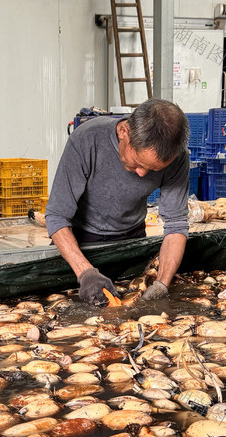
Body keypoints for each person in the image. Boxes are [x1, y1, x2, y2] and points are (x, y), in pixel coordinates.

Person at [46, 98, 190, 305]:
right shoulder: (87, 139)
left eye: (153, 171)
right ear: (124, 132)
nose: (142, 174)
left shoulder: (178, 159)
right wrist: (85, 273)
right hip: (79, 240)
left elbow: (176, 224)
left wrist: (162, 284)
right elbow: (57, 216)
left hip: (131, 239)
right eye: (139, 163)